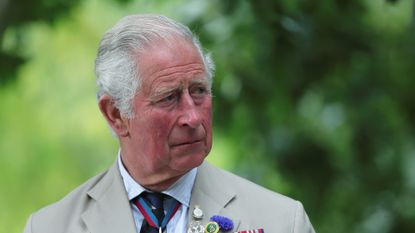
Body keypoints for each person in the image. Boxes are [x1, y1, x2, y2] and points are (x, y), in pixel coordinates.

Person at [23, 14, 316, 233]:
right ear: (115, 114)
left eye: (199, 91)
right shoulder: (51, 226)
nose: (192, 117)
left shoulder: (282, 221)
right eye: (169, 98)